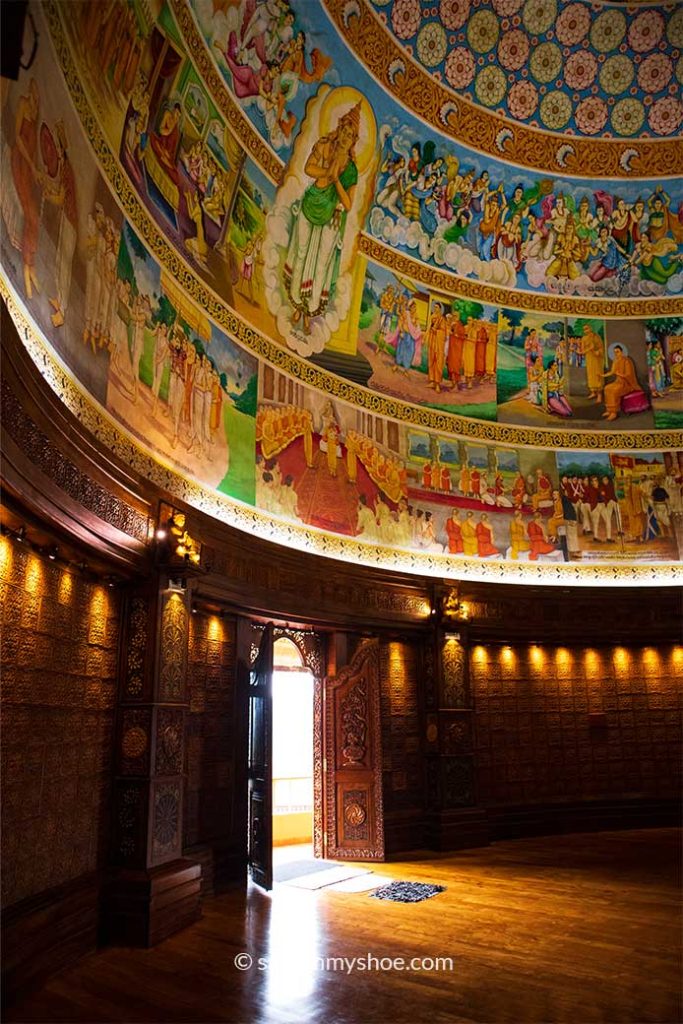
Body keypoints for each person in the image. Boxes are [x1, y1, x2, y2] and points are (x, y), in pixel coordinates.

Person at [284, 102, 360, 333]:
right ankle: (297, 302)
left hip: (333, 216)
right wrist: (328, 172)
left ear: (355, 140)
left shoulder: (351, 170)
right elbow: (308, 168)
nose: (346, 137)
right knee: (302, 251)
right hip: (312, 203)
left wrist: (336, 180)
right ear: (339, 128)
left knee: (320, 263)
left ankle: (310, 309)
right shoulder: (325, 145)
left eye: (351, 135)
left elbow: (348, 204)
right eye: (345, 131)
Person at [11, 78, 41, 299]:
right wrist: (31, 167)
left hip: (29, 169)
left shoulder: (36, 111)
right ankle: (25, 267)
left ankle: (30, 267)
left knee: (35, 218)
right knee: (31, 217)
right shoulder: (22, 103)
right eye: (34, 93)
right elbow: (18, 139)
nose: (36, 98)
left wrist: (37, 172)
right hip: (19, 163)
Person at [603, 345, 644, 421]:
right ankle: (609, 410)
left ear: (622, 352)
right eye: (615, 352)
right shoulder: (615, 361)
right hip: (618, 382)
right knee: (607, 388)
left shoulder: (627, 361)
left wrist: (619, 374)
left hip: (627, 384)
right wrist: (602, 375)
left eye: (617, 352)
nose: (616, 354)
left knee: (614, 391)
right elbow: (612, 372)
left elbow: (628, 375)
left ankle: (614, 413)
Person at [579, 324, 605, 402]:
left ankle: (599, 394)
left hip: (597, 359)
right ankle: (593, 392)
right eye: (584, 329)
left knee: (598, 375)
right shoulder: (584, 338)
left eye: (587, 328)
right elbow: (583, 350)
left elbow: (601, 347)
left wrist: (597, 351)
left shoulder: (596, 337)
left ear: (590, 328)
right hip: (589, 358)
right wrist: (589, 349)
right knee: (590, 375)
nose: (586, 330)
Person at [425, 302, 447, 393]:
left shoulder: (442, 319)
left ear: (440, 309)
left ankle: (437, 384)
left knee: (438, 362)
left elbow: (444, 333)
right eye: (434, 307)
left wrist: (436, 331)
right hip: (432, 342)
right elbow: (429, 329)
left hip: (439, 344)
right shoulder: (432, 317)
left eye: (437, 307)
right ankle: (432, 381)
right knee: (431, 361)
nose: (435, 309)